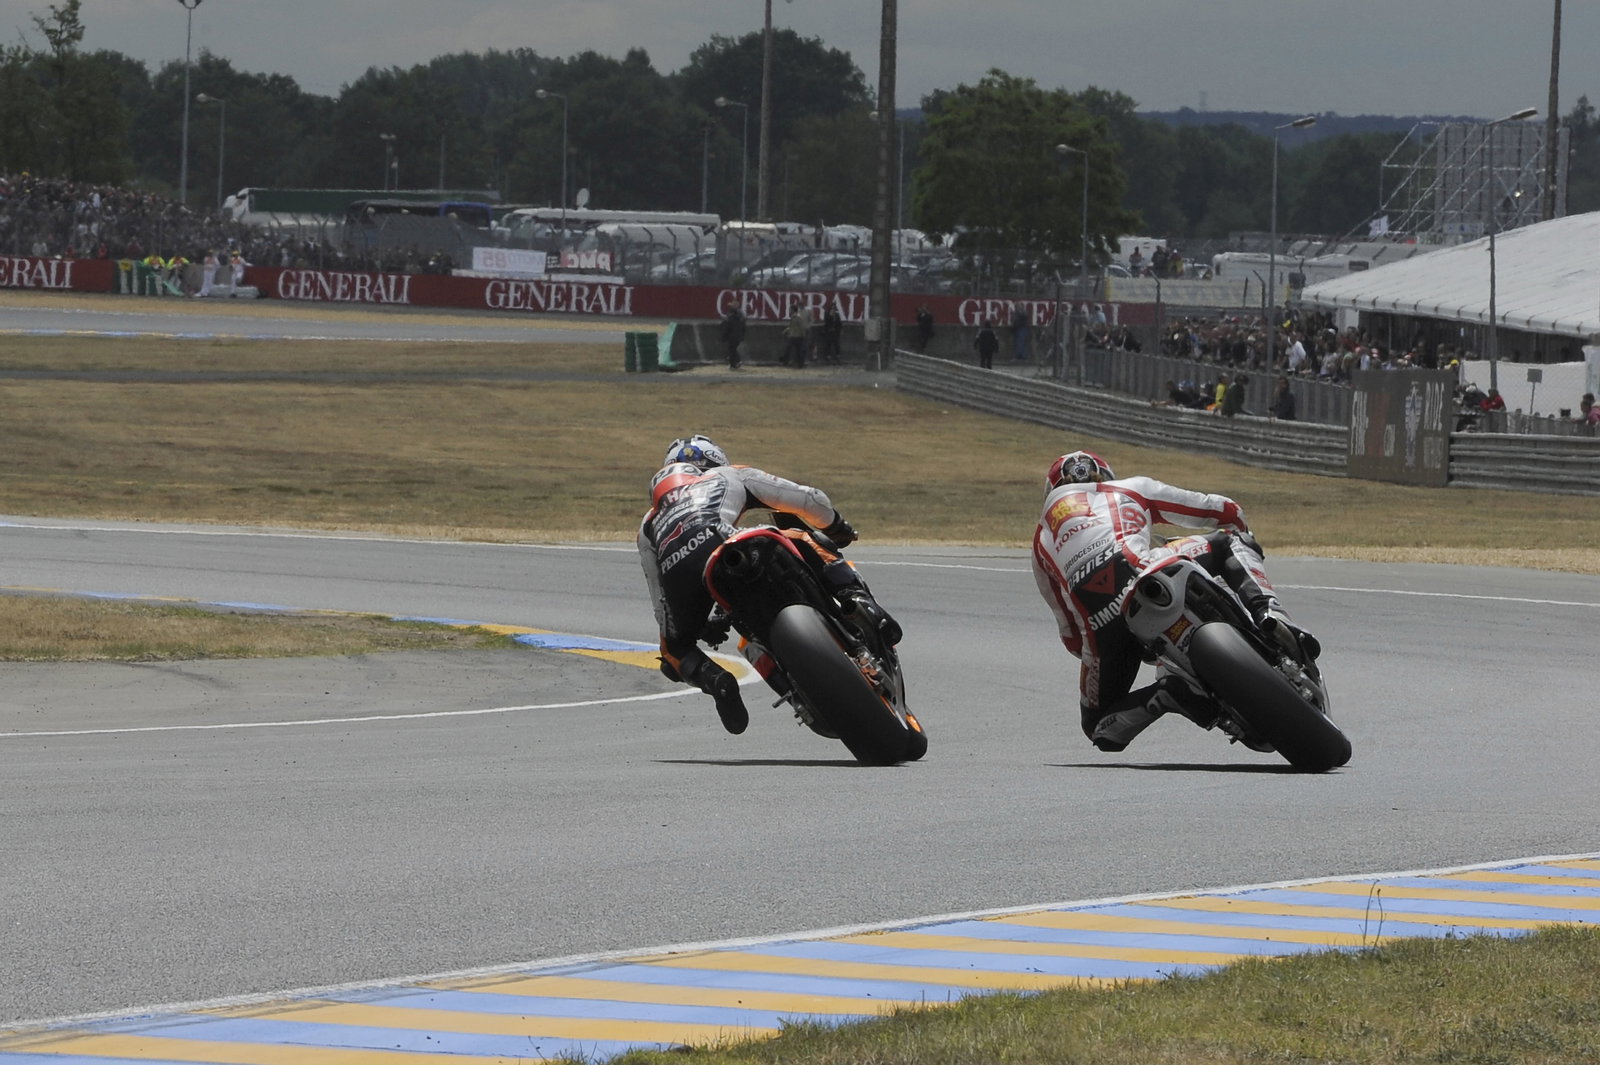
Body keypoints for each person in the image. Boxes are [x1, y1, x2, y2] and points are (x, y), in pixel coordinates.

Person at [1031, 450, 1316, 752]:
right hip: (1149, 567)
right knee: (1230, 542)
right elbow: (1220, 509)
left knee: (1098, 726)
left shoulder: (1040, 541)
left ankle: (1169, 694)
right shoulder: (1130, 488)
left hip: (1101, 625)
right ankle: (1271, 614)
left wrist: (1112, 648)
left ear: (1051, 492)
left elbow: (1070, 633)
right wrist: (1242, 530)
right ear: (1105, 475)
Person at [638, 435, 890, 735]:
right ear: (714, 462)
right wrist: (836, 525)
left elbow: (659, 598)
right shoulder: (728, 474)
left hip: (686, 577)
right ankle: (858, 600)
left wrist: (693, 624)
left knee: (673, 651)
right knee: (804, 536)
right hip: (730, 544)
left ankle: (716, 680)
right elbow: (809, 498)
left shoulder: (648, 524)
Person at [719, 304, 746, 369]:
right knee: (733, 350)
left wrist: (723, 338)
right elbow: (743, 328)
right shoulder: (739, 319)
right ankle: (733, 364)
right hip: (738, 337)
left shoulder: (729, 320)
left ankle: (736, 362)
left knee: (732, 350)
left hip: (732, 337)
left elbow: (726, 329)